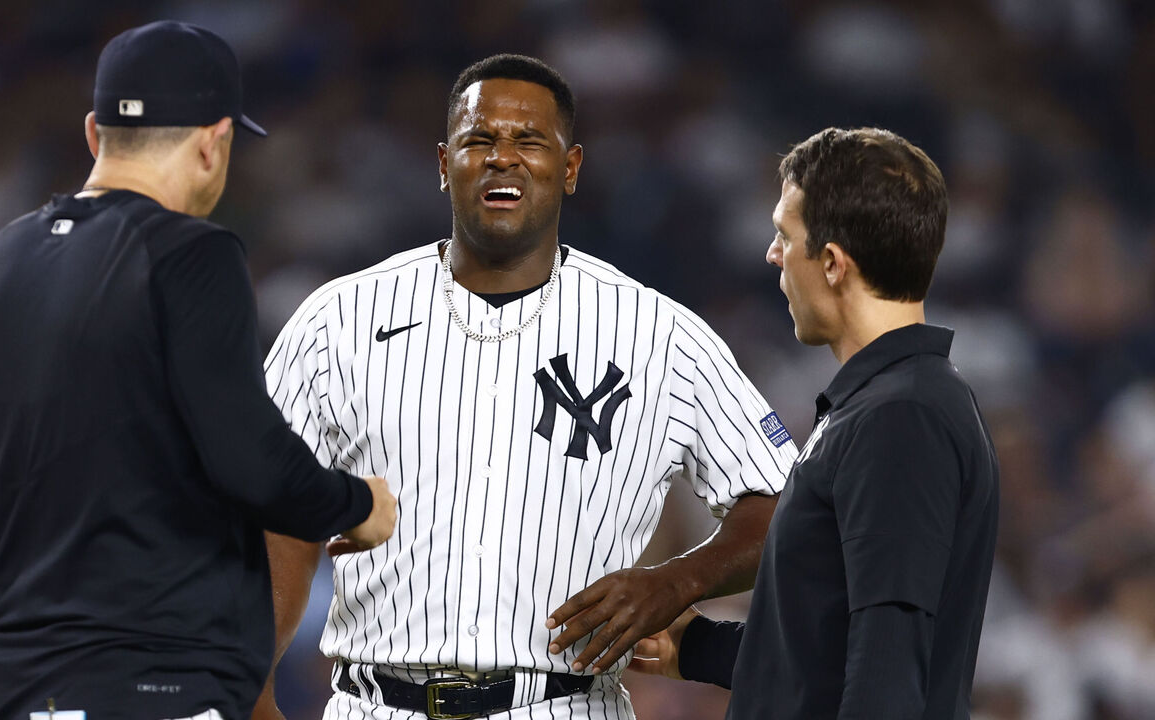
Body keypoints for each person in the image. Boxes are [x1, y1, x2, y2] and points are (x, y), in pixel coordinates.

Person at [0, 21, 396, 720]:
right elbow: (252, 462)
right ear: (215, 143)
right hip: (157, 687)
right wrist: (357, 506)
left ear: (95, 134)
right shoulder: (190, 253)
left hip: (16, 693)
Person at [255, 54, 796, 720]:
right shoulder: (337, 320)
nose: (502, 158)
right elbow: (262, 513)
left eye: (529, 141)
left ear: (569, 169)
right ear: (443, 162)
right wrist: (251, 690)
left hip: (565, 704)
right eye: (479, 140)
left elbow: (783, 507)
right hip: (375, 703)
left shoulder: (658, 335)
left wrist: (677, 579)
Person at [630, 127, 1000, 719]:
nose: (773, 255)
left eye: (785, 235)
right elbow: (836, 653)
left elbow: (888, 672)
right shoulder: (887, 403)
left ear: (831, 262)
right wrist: (691, 646)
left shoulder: (902, 418)